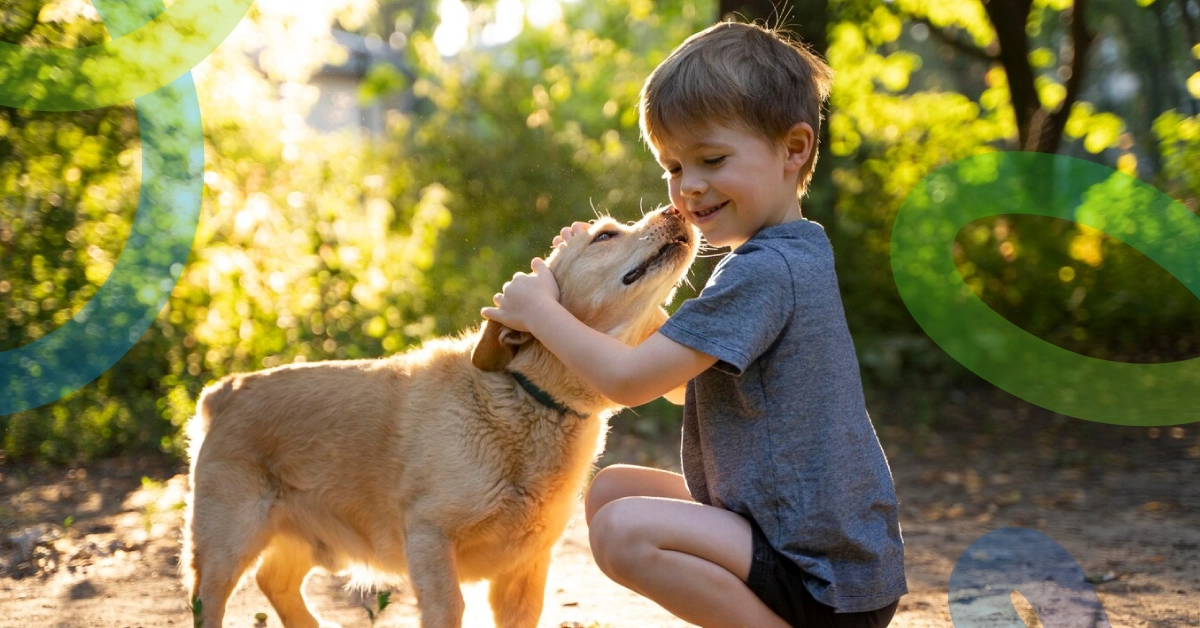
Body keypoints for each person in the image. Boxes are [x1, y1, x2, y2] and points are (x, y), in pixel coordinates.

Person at [481, 19, 905, 628]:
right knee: (612, 491)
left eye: (711, 159)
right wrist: (599, 280)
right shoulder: (786, 254)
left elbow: (630, 384)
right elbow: (689, 383)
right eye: (674, 166)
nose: (689, 187)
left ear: (795, 149)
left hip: (822, 579)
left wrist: (541, 313)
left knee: (624, 531)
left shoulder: (765, 270)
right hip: (808, 544)